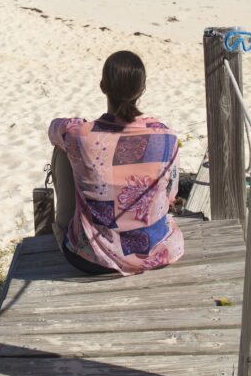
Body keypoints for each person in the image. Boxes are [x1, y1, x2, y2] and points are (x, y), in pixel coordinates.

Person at [48, 50, 184, 276]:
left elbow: (53, 129)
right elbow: (170, 196)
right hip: (156, 253)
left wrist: (81, 125)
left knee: (64, 149)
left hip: (92, 259)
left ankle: (64, 225)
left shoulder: (79, 135)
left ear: (103, 86)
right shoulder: (167, 137)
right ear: (142, 89)